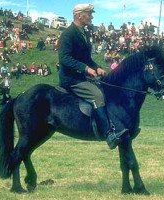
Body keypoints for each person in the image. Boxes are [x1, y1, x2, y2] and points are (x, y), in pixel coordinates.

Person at [58, 3, 128, 150]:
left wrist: (97, 67)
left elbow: (86, 58)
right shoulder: (68, 34)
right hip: (71, 79)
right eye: (89, 14)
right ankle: (108, 135)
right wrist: (85, 68)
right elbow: (64, 58)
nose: (92, 16)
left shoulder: (85, 33)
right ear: (79, 15)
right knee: (97, 95)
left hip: (82, 77)